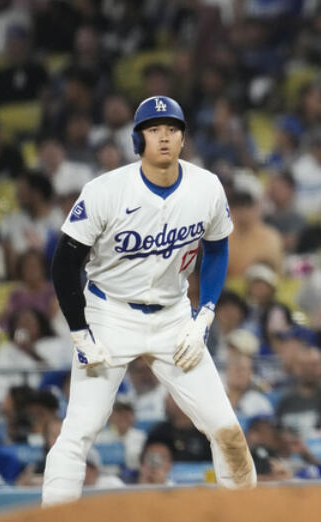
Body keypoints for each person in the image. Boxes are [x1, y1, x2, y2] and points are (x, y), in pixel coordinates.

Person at [42, 96, 256, 506]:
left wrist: (204, 315)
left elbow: (217, 249)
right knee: (78, 432)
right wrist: (80, 332)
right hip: (108, 314)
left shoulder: (206, 186)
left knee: (226, 429)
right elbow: (64, 263)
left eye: (172, 129)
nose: (164, 136)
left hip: (174, 319)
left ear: (183, 138)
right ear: (137, 138)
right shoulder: (105, 190)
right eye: (154, 129)